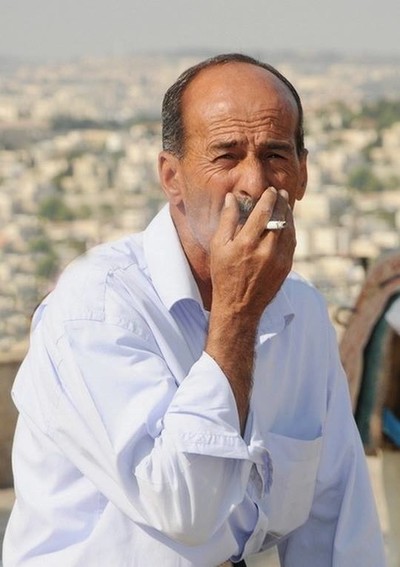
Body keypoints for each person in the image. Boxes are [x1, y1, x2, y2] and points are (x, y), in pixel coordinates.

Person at [3, 53, 386, 566]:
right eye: (226, 156)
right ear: (172, 176)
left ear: (302, 175)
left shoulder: (300, 311)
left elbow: (336, 526)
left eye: (275, 154)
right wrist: (237, 313)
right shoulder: (96, 310)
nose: (254, 184)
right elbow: (184, 510)